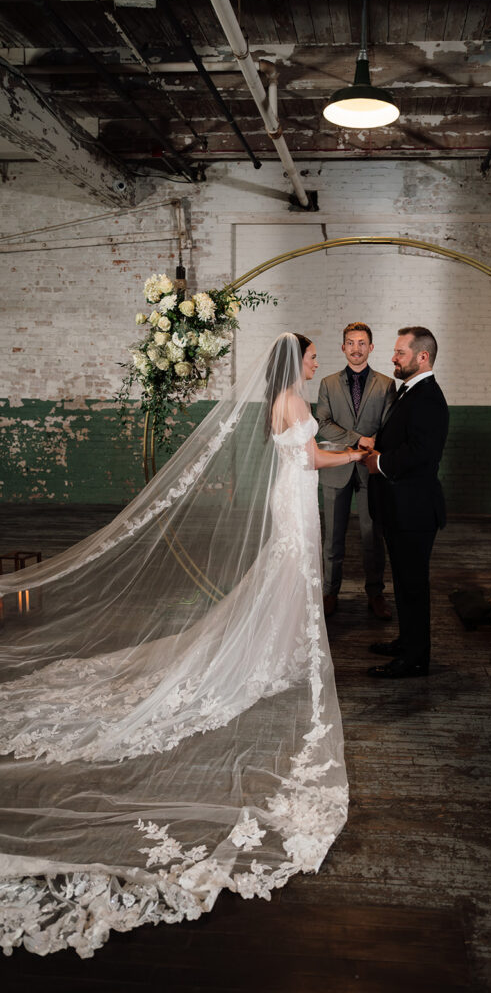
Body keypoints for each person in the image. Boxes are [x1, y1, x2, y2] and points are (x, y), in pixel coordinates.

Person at [0, 332, 364, 957]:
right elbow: (307, 462)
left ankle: (280, 646)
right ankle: (281, 648)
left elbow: (298, 455)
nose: (315, 362)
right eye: (310, 355)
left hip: (291, 502)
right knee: (291, 571)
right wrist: (355, 455)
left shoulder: (282, 401)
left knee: (284, 574)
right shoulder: (296, 403)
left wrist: (338, 452)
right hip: (298, 499)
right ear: (295, 360)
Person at [363, 327, 449, 679]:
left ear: (422, 357)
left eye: (400, 352)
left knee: (413, 585)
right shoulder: (410, 391)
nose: (393, 358)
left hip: (414, 510)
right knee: (403, 581)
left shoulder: (427, 396)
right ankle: (407, 640)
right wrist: (377, 446)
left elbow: (421, 453)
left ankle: (415, 658)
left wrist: (379, 462)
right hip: (400, 507)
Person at [315, 322, 396, 619]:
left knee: (372, 534)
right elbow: (322, 424)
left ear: (371, 347)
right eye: (350, 342)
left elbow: (389, 427)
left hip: (371, 470)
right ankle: (329, 592)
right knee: (333, 537)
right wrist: (356, 439)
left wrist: (373, 450)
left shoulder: (387, 384)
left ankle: (376, 593)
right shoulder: (327, 383)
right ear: (343, 347)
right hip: (336, 468)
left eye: (362, 343)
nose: (356, 348)